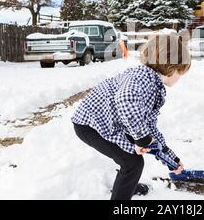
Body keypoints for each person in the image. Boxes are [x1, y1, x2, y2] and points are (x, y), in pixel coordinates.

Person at [72, 34, 191, 200]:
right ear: (171, 67)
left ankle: (127, 185)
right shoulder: (143, 80)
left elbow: (148, 127)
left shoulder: (151, 82)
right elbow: (125, 99)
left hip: (110, 122)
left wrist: (170, 157)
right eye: (181, 71)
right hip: (90, 125)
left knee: (135, 147)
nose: (181, 76)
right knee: (132, 163)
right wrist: (142, 139)